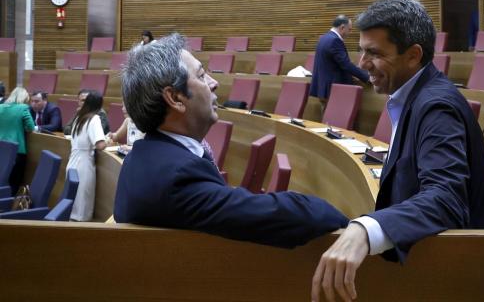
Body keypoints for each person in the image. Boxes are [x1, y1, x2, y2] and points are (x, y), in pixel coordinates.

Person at [311, 0, 484, 302]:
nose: (362, 64)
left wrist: (367, 229)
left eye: (373, 53)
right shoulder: (418, 94)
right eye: (361, 51)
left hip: (467, 277)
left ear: (413, 55)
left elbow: (446, 199)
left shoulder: (436, 106)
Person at [114, 33, 348, 248]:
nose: (214, 83)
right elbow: (278, 216)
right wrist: (355, 224)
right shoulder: (175, 178)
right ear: (175, 98)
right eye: (202, 75)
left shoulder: (143, 157)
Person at [310, 15, 369, 111]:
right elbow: (346, 64)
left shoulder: (324, 38)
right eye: (349, 30)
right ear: (342, 27)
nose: (350, 33)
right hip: (333, 88)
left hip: (324, 87)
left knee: (327, 116)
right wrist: (366, 77)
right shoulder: (335, 40)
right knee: (334, 118)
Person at [67, 90, 107, 221]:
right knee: (82, 210)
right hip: (84, 164)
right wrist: (109, 140)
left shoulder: (79, 116)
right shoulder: (94, 118)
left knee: (73, 205)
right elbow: (100, 145)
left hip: (72, 161)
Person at [0, 87, 35, 195]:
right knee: (14, 182)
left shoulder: (0, 107)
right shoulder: (23, 108)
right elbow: (30, 127)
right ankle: (10, 206)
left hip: (1, 147)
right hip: (17, 149)